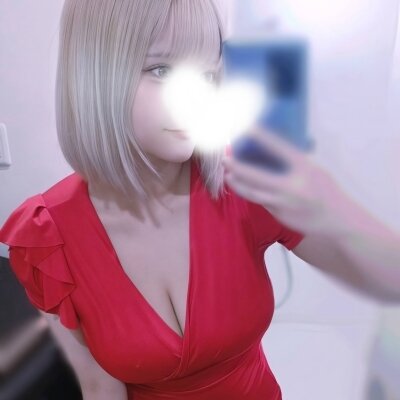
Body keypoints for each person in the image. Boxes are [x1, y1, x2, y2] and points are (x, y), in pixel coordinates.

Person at [0, 1, 399, 399]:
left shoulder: (245, 180)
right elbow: (99, 385)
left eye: (207, 74)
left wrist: (330, 204)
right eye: (162, 70)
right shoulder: (46, 238)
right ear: (94, 75)